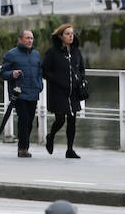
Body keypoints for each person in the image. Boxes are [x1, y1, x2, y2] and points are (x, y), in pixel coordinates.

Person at [42, 23, 85, 159]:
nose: (71, 36)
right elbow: (44, 71)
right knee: (60, 119)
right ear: (60, 36)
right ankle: (51, 136)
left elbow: (81, 69)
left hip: (74, 91)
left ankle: (70, 149)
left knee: (72, 120)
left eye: (72, 33)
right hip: (58, 92)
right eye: (67, 34)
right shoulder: (52, 52)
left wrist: (81, 80)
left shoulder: (76, 51)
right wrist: (57, 80)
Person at [0, 29, 43, 157]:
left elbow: (39, 73)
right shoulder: (11, 55)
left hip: (33, 92)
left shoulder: (36, 54)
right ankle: (22, 148)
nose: (30, 40)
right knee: (23, 119)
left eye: (31, 38)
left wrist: (39, 85)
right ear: (20, 40)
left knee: (29, 121)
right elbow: (3, 73)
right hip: (18, 93)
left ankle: (24, 146)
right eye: (27, 38)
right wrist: (12, 74)